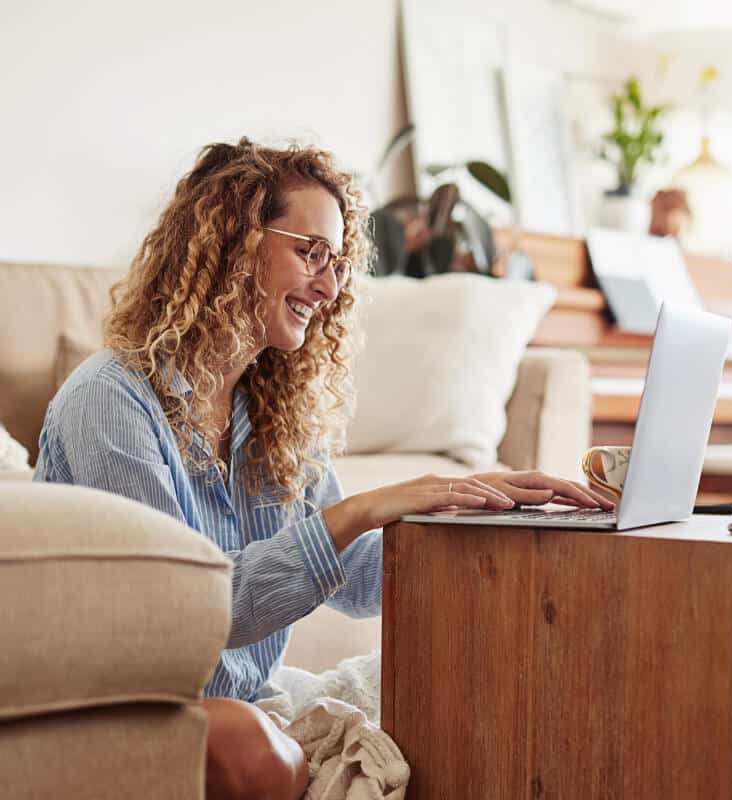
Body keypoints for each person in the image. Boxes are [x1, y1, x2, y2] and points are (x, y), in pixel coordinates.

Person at [34, 138, 613, 800]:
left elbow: (356, 583)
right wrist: (359, 509)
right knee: (263, 760)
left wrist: (467, 508)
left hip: (250, 700)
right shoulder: (111, 400)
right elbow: (187, 617)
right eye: (310, 253)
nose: (331, 284)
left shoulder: (269, 411)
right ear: (233, 243)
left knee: (458, 706)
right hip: (117, 705)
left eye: (337, 262)